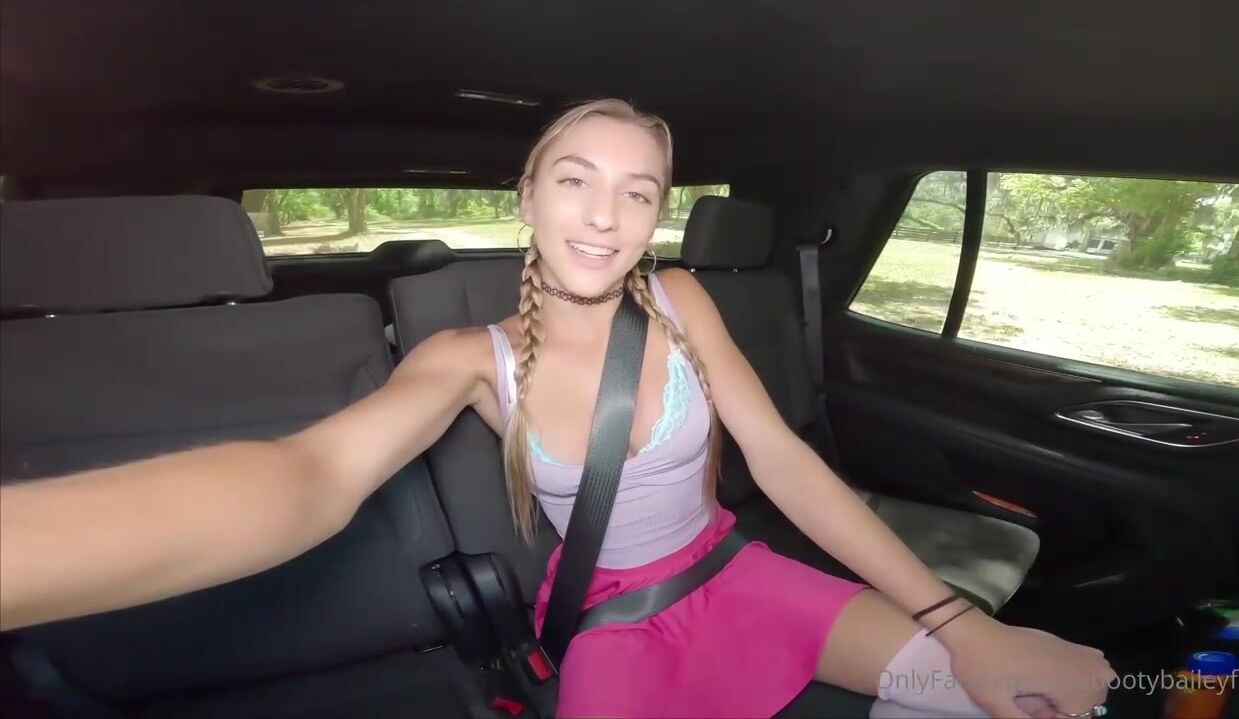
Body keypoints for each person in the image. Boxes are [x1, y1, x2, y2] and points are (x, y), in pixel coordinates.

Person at [0, 98, 1114, 719]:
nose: (603, 215)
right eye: (574, 179)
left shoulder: (679, 301)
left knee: (1007, 695)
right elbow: (309, 478)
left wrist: (961, 621)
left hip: (738, 573)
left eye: (637, 192)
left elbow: (779, 459)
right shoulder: (467, 357)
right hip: (613, 622)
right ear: (527, 197)